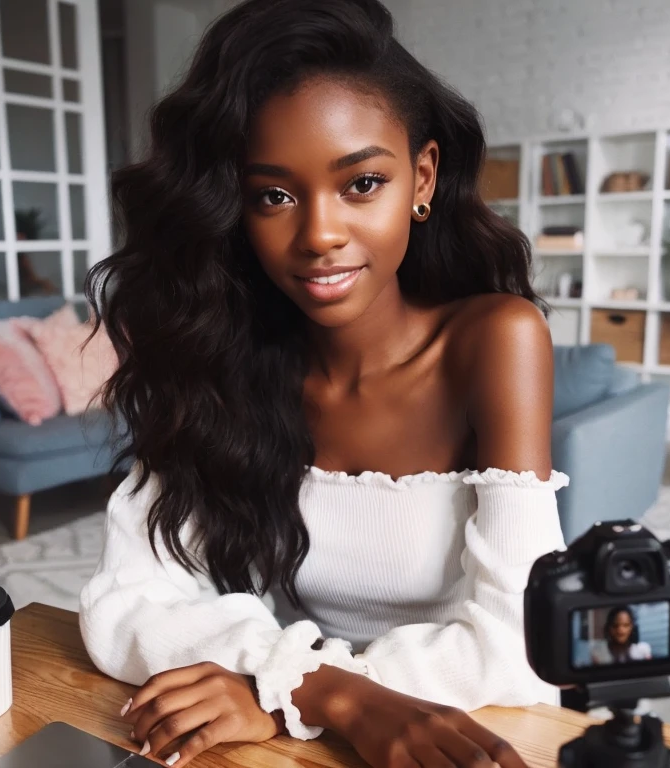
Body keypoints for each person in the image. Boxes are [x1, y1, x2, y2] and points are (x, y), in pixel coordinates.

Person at [79, 1, 568, 766]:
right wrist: (323, 692)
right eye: (274, 195)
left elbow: (524, 644)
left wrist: (293, 687)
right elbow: (122, 605)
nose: (318, 235)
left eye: (362, 183)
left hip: (470, 730)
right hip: (298, 732)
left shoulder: (495, 340)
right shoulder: (218, 358)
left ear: (423, 177)